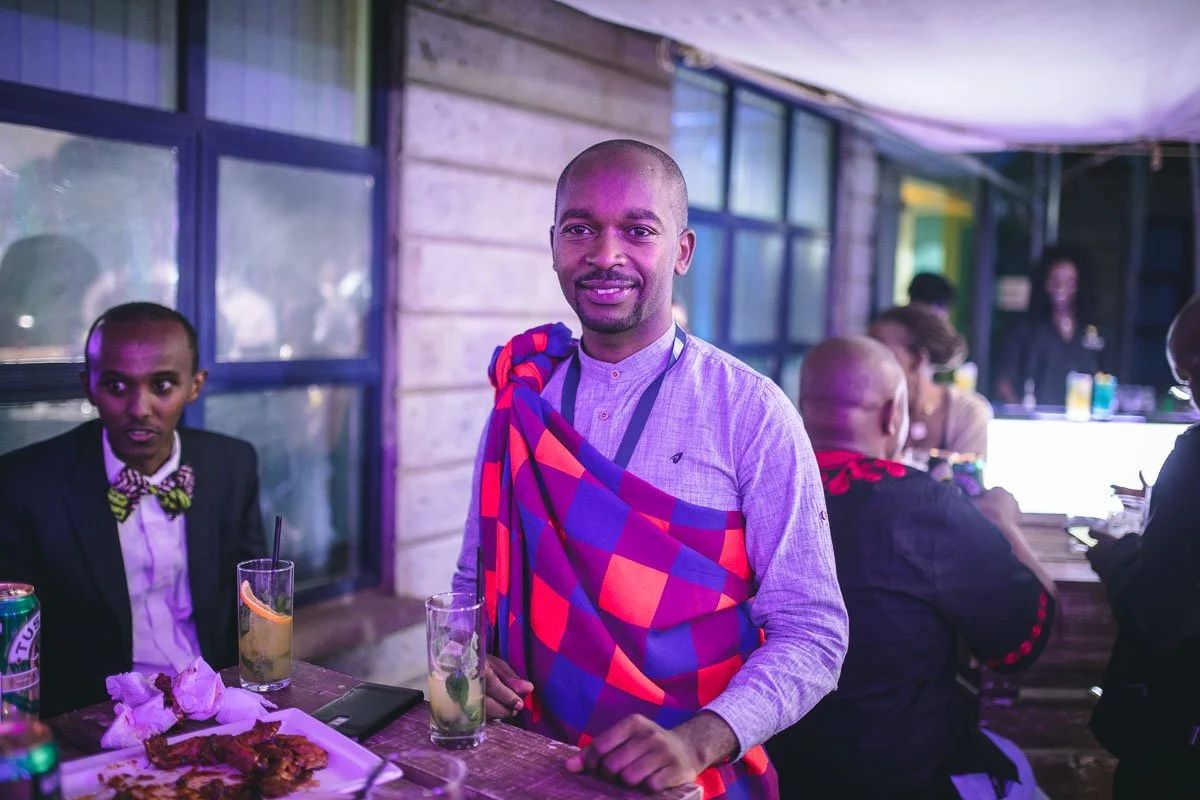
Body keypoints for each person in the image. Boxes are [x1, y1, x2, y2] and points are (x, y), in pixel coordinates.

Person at [451, 140, 848, 798]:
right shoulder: (522, 403)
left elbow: (813, 631)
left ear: (682, 251)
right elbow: (472, 583)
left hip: (692, 778)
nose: (605, 256)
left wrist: (696, 743)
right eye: (580, 229)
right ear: (554, 246)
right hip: (526, 764)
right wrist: (468, 661)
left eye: (638, 231)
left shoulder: (750, 411)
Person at [771, 336, 1057, 799]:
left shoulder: (753, 494)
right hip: (900, 779)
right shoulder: (926, 504)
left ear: (803, 407)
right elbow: (1020, 645)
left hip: (764, 773)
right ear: (892, 416)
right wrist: (1005, 523)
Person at [0, 302, 266, 718]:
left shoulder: (232, 464)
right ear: (88, 385)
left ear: (195, 385)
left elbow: (254, 602)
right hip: (95, 717)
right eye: (117, 385)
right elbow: (15, 644)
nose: (139, 408)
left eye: (162, 385)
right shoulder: (24, 484)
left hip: (215, 702)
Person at [1086, 294, 1200, 798]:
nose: (1189, 393)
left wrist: (1117, 556)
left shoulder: (1195, 459)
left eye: (1185, 377)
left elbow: (1161, 611)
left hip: (1180, 737)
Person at [870, 304, 993, 459]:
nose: (869, 359)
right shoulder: (867, 408)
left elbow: (967, 481)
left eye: (880, 350)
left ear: (917, 360)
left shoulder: (968, 413)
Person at [994, 245, 1106, 406]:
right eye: (1054, 279)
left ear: (1080, 285)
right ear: (1044, 282)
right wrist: (1019, 413)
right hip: (1035, 424)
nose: (1060, 287)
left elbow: (1109, 380)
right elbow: (1004, 380)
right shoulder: (1024, 329)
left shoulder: (1095, 332)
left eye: (1069, 281)